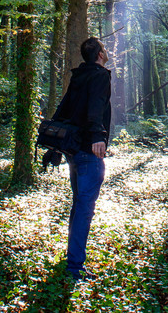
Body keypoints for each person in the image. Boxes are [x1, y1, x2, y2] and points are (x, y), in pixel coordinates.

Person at [52, 36, 111, 281]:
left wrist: (54, 144)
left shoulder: (79, 75)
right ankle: (74, 267)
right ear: (99, 54)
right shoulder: (100, 75)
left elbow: (64, 108)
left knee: (79, 205)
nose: (106, 52)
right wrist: (98, 136)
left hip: (74, 151)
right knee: (84, 208)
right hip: (88, 150)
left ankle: (72, 259)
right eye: (104, 49)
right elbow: (96, 105)